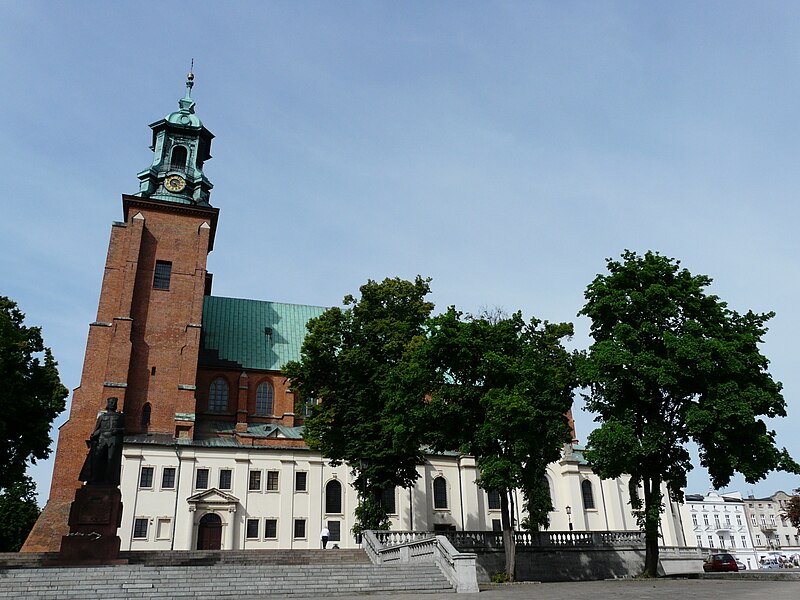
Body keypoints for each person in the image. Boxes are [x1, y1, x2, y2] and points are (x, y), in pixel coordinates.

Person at [78, 397, 125, 485]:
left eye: (114, 403)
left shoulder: (120, 417)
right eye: (110, 402)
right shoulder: (102, 417)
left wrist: (117, 430)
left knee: (111, 460)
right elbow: (96, 430)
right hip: (102, 440)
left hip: (113, 441)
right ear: (107, 404)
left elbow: (124, 430)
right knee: (97, 459)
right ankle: (95, 479)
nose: (112, 404)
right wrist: (95, 434)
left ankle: (109, 481)